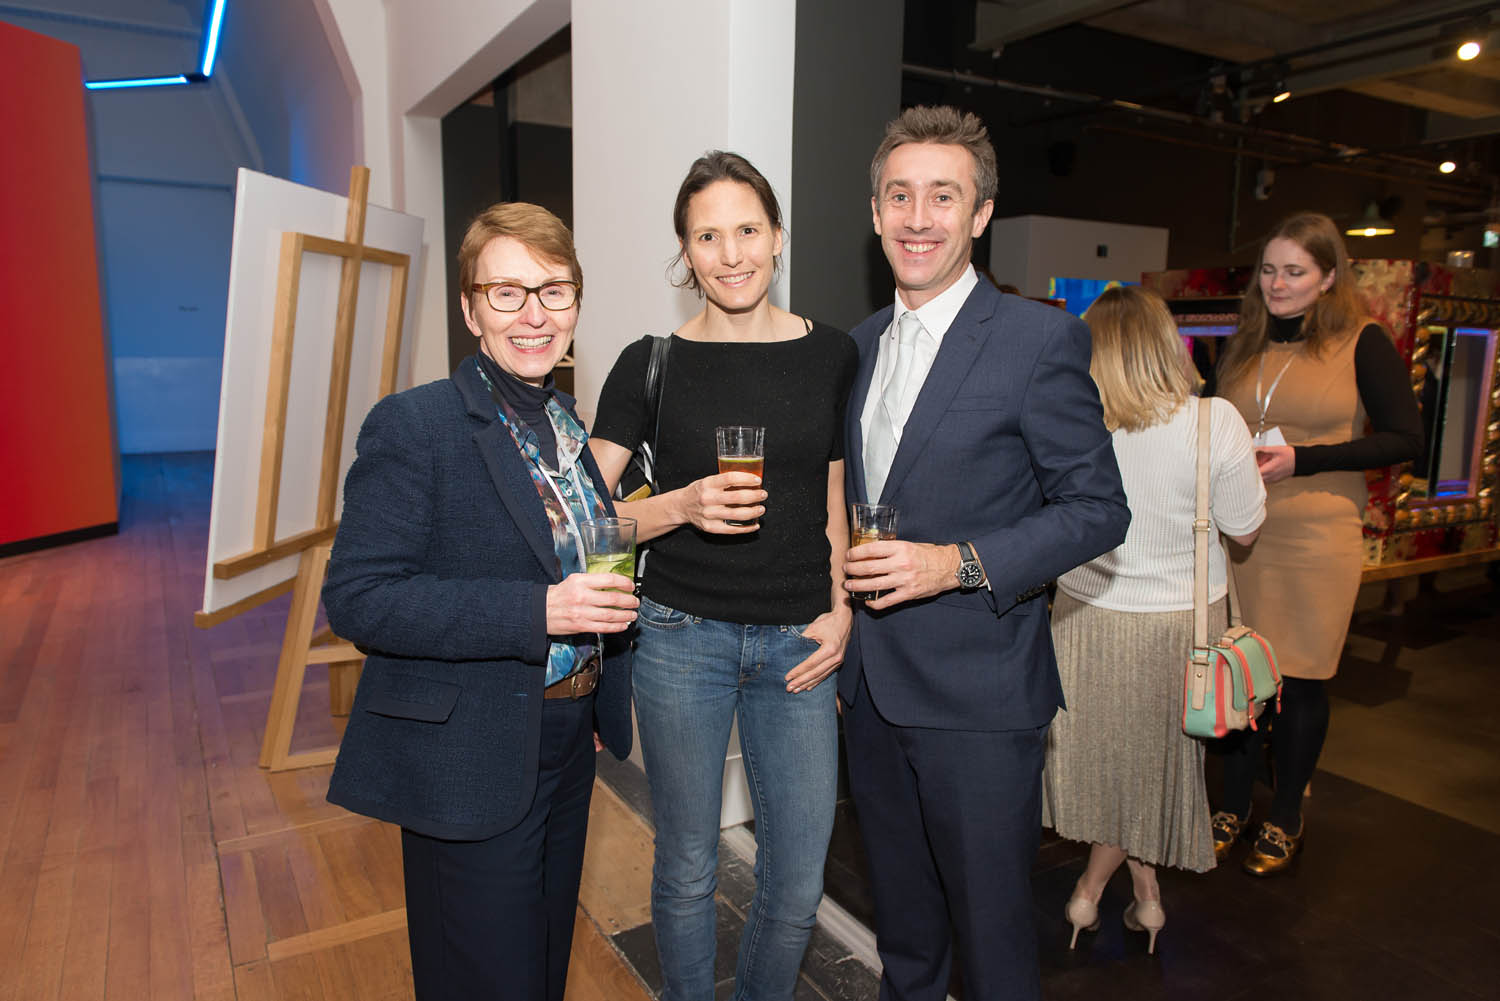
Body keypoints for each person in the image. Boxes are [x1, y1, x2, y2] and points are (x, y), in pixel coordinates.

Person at [839, 105, 1130, 1001]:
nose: (918, 217)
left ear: (980, 214)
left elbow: (1098, 510)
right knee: (908, 934)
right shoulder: (857, 347)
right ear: (876, 211)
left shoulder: (1037, 339)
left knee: (994, 941)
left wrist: (952, 562)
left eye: (943, 196)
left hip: (980, 698)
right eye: (900, 195)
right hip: (873, 691)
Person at [322, 203, 639, 1001]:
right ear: (469, 308)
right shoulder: (416, 425)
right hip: (469, 753)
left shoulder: (565, 421)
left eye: (554, 290)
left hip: (565, 738)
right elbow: (360, 599)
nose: (534, 314)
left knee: (538, 971)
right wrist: (541, 613)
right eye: (507, 292)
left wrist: (586, 690)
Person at [589, 151, 857, 1001]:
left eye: (747, 230)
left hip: (799, 641)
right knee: (689, 865)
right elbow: (585, 517)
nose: (730, 252)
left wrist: (843, 609)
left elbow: (834, 501)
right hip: (679, 636)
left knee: (795, 880)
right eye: (708, 235)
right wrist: (680, 504)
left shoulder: (833, 354)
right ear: (685, 250)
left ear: (777, 237)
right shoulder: (649, 361)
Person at [1041, 287, 1266, 954]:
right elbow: (1246, 526)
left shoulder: (1072, 424)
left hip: (1082, 617)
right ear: (1168, 343)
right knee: (1149, 769)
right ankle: (1120, 896)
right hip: (1178, 628)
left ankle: (1110, 893)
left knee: (1114, 765)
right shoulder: (1214, 421)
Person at [1213, 212, 1422, 875]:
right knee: (1240, 676)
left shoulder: (1363, 342)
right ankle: (1233, 802)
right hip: (1237, 533)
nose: (1278, 283)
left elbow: (1403, 438)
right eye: (1269, 270)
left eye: (1295, 271)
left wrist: (1304, 458)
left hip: (1314, 534)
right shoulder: (1243, 344)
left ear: (1329, 276)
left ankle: (1285, 814)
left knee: (1299, 680)